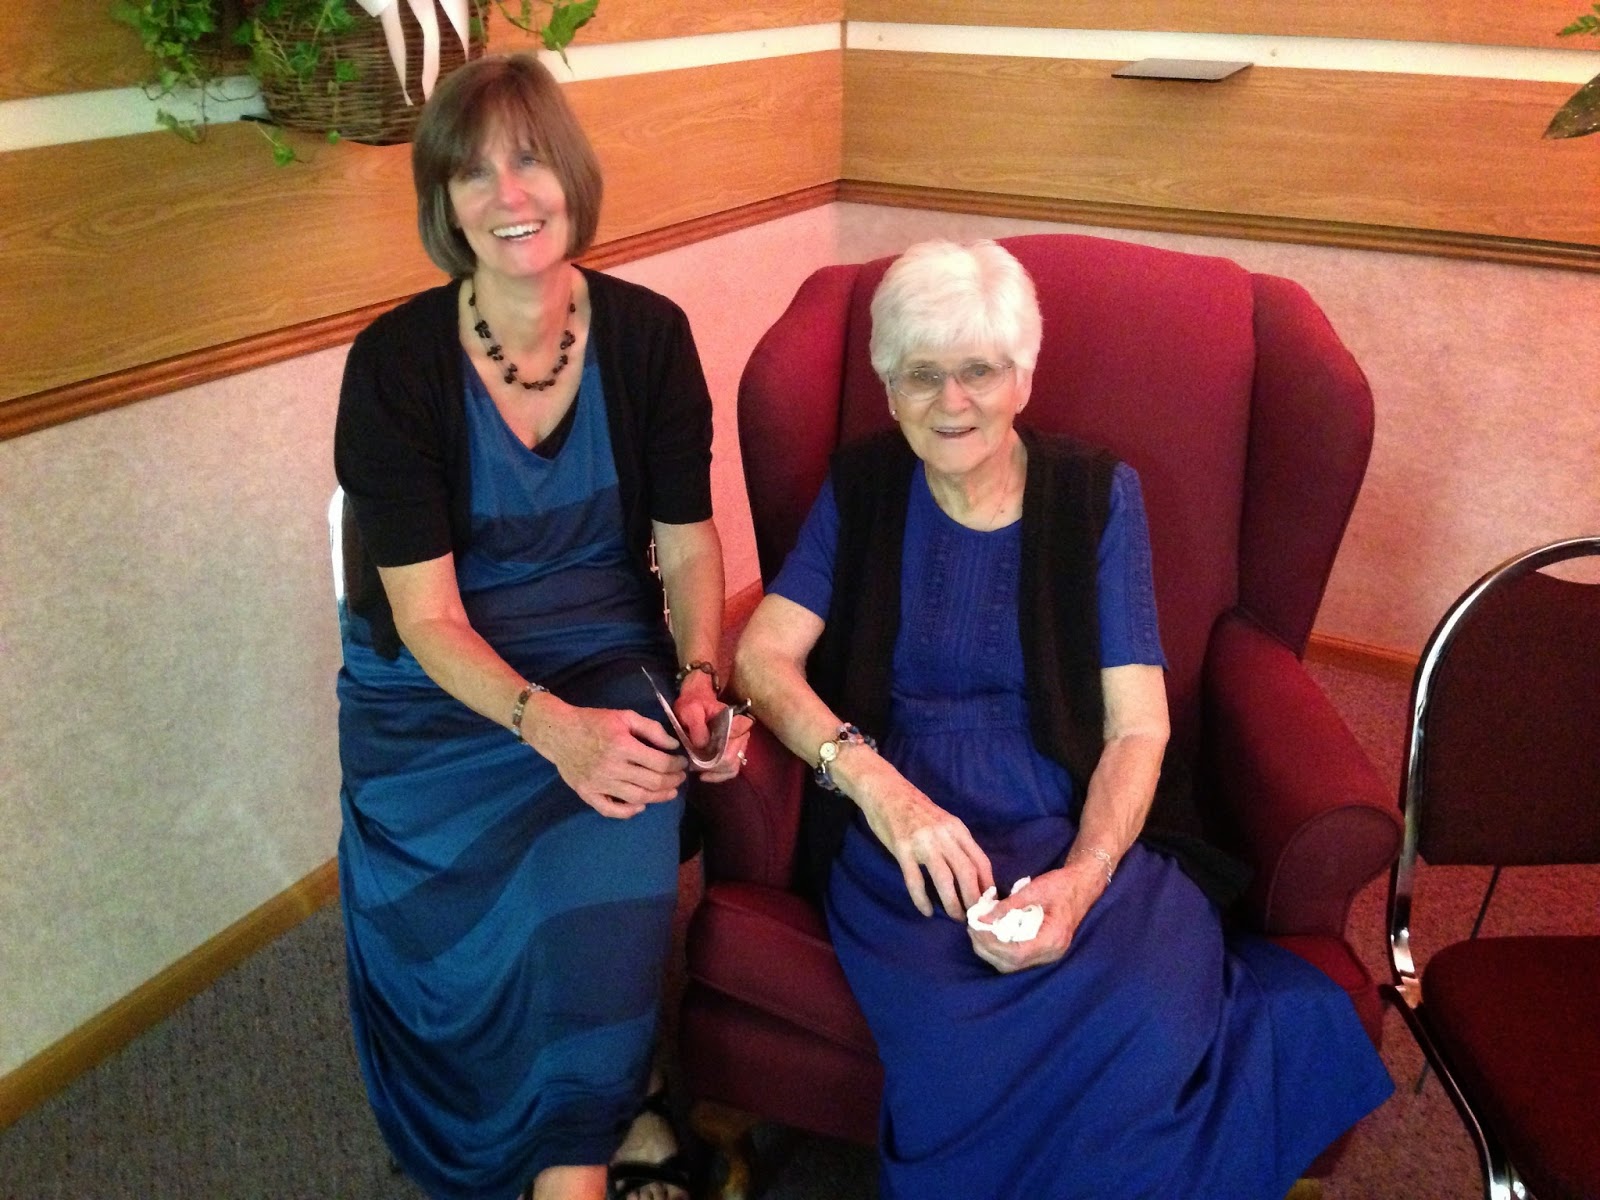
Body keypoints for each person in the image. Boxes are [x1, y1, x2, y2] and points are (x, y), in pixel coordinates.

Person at [733, 239, 1394, 1198]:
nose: (951, 402)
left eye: (978, 370)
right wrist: (877, 788)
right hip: (906, 841)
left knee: (1150, 1018)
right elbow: (761, 658)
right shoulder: (864, 487)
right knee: (959, 1044)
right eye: (922, 374)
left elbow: (1137, 728)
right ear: (888, 387)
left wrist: (1082, 881)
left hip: (1069, 810)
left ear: (1023, 378)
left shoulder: (1093, 496)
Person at [333, 53, 745, 1200]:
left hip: (599, 648)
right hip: (436, 688)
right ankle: (610, 1114)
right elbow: (424, 614)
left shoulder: (650, 337)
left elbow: (687, 545)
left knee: (623, 810)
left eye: (529, 161)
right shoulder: (394, 366)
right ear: (443, 203)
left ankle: (578, 1149)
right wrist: (546, 727)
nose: (509, 195)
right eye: (472, 173)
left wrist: (700, 676)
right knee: (461, 918)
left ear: (572, 175)